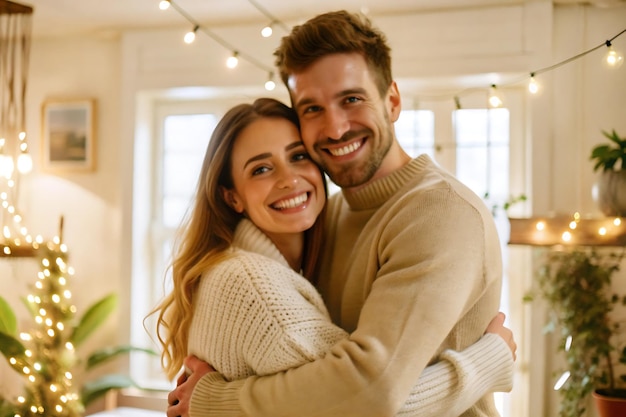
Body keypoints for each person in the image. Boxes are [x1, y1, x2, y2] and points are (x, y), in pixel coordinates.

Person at [166, 10, 516, 416]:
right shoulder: (326, 216)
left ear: (393, 101)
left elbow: (370, 391)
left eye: (351, 99)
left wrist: (215, 400)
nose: (334, 129)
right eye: (312, 109)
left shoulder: (440, 213)